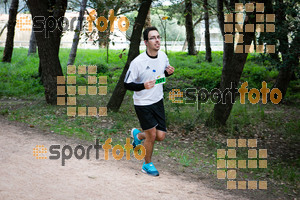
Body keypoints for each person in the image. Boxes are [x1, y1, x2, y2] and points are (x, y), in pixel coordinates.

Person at [124, 26, 175, 176]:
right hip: (142, 103)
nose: (157, 40)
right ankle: (147, 164)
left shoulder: (163, 56)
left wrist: (168, 73)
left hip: (157, 100)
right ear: (146, 42)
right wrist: (142, 86)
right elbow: (127, 84)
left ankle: (138, 136)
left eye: (158, 37)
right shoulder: (138, 62)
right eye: (153, 38)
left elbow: (160, 76)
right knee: (152, 135)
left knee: (160, 136)